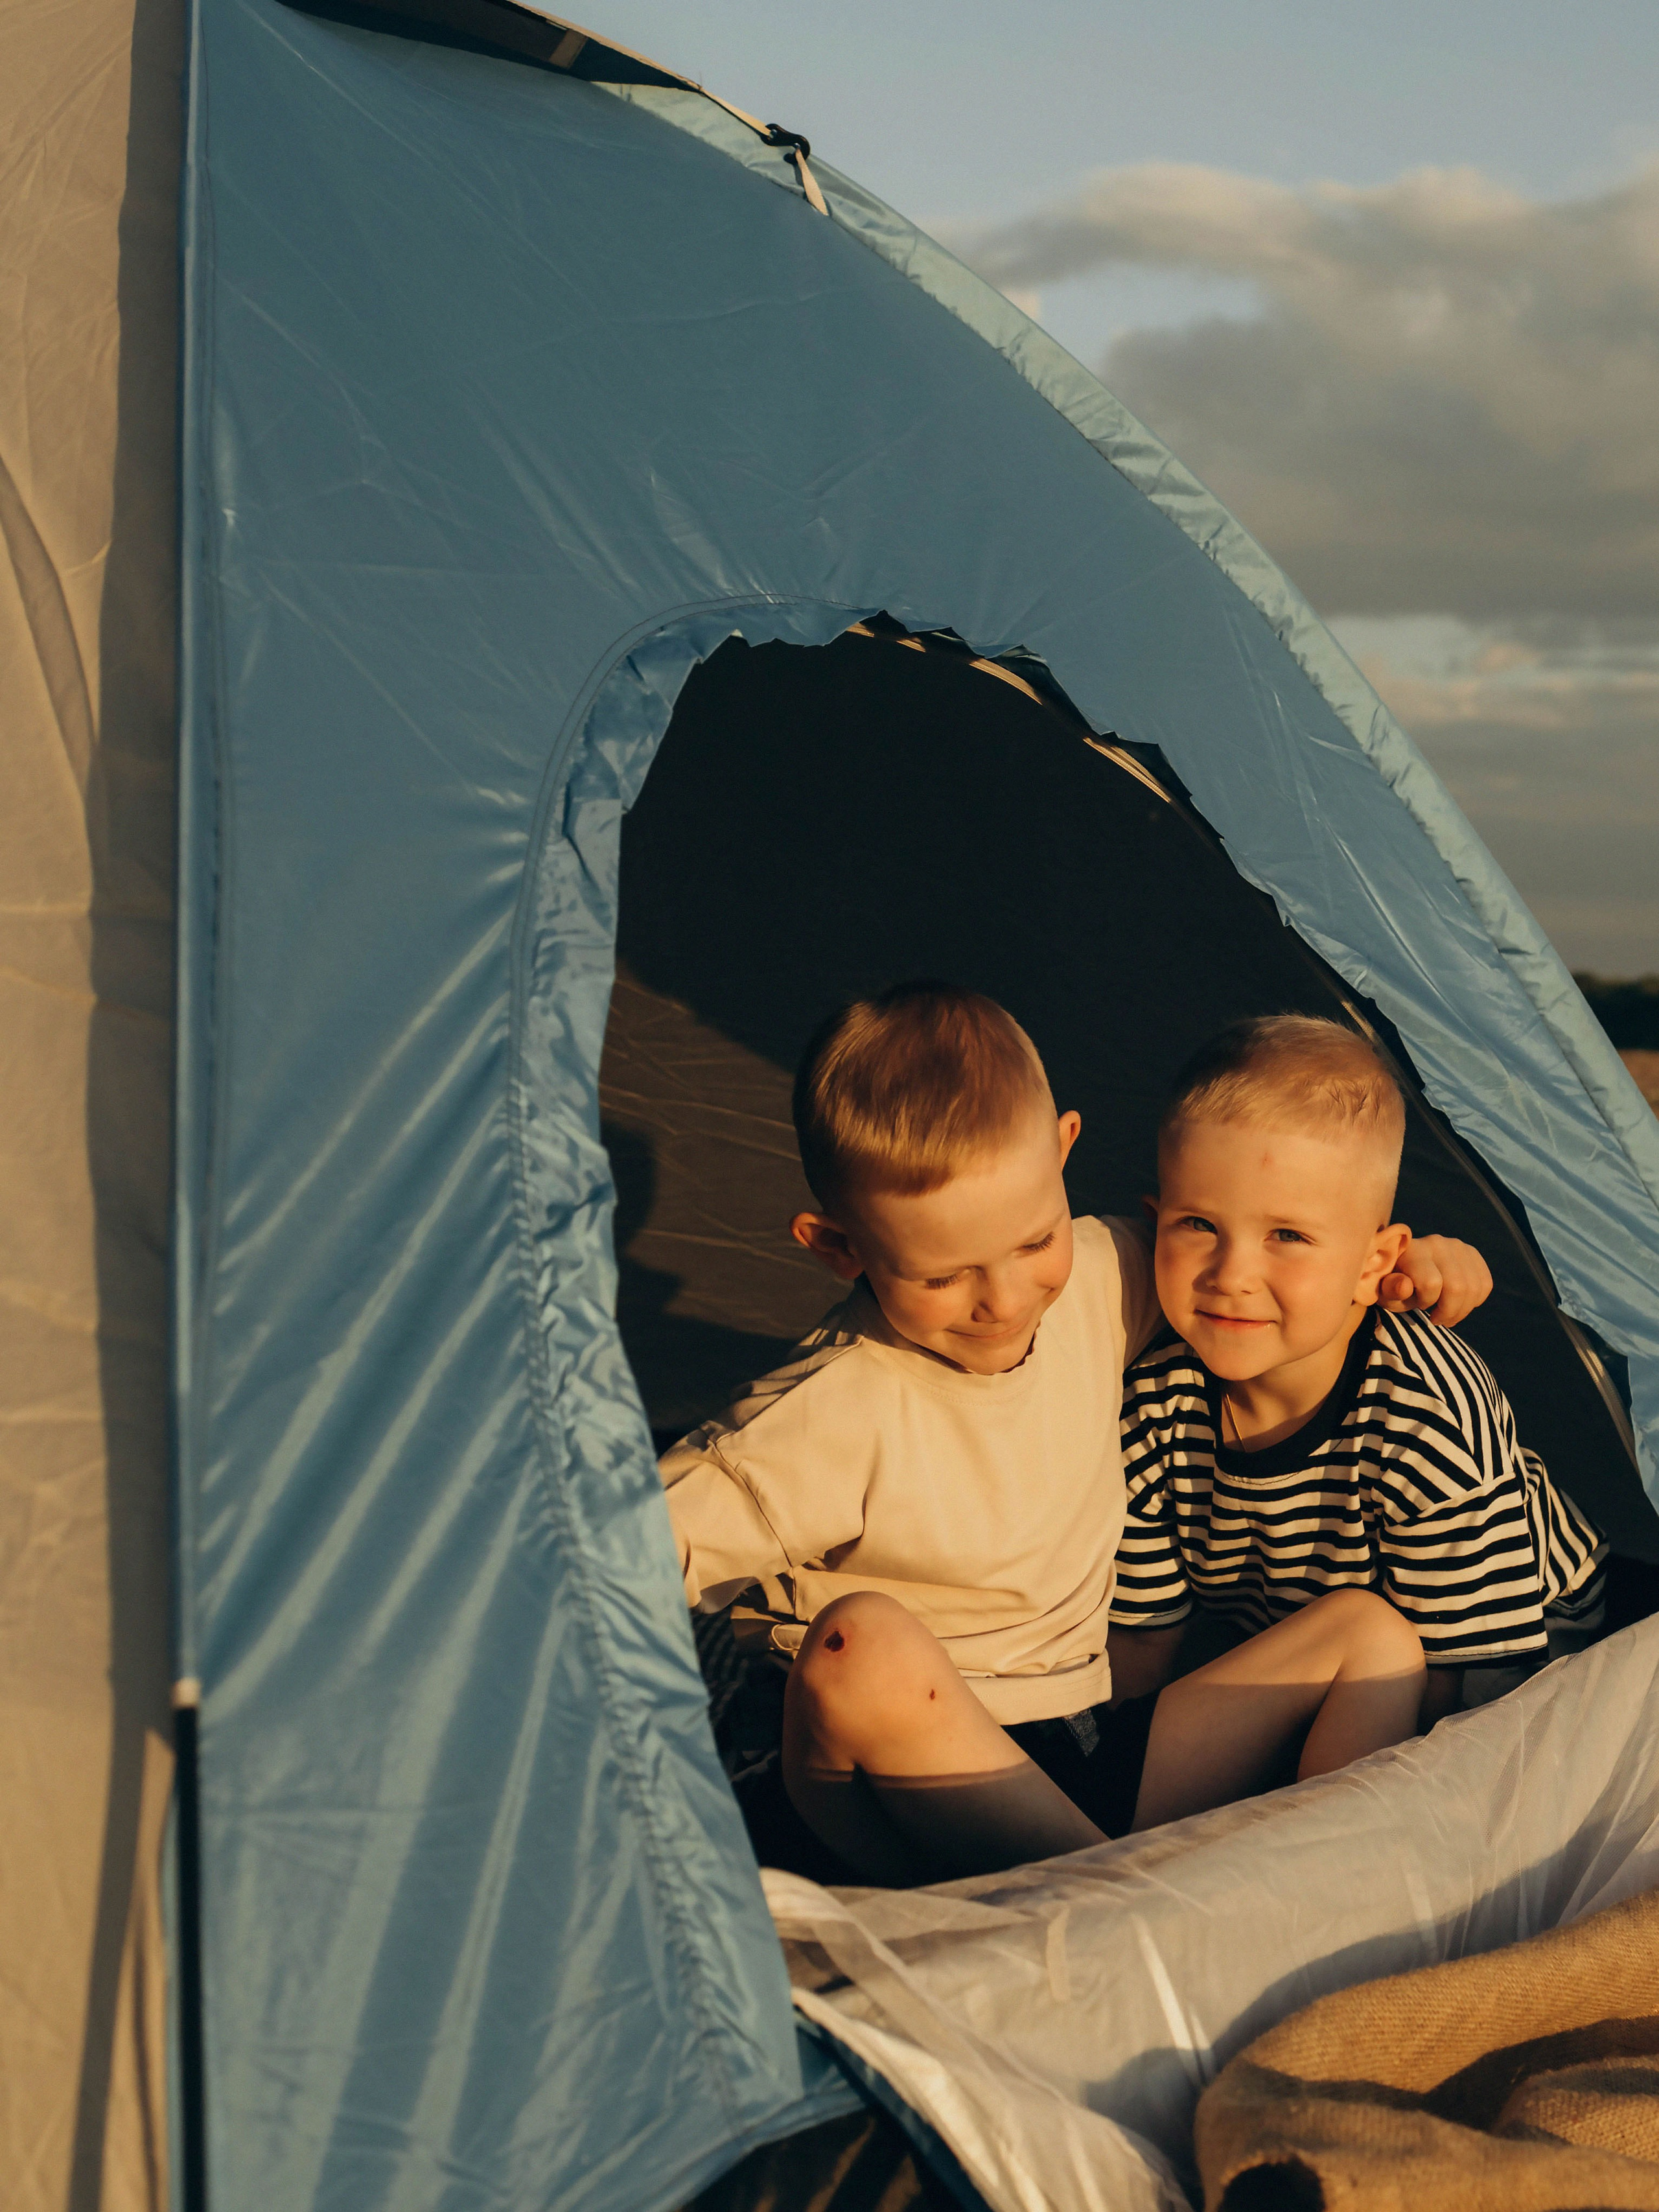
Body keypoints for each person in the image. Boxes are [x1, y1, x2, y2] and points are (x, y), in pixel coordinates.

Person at [659, 984, 1491, 1884]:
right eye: (945, 1277)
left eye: (1031, 1242)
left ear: (1063, 1152)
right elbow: (612, 1550)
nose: (1005, 1302)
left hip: (1078, 1751)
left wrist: (1413, 1264)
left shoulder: (1103, 1275)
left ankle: (1313, 1894)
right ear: (839, 1248)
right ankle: (1128, 1909)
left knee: (1371, 1639)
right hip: (879, 1785)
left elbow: (1262, 1260)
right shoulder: (824, 1411)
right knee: (860, 1643)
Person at [1109, 1016, 1607, 1727]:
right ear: (1155, 1220)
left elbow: (1469, 1682)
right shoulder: (1153, 1403)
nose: (1231, 1274)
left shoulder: (1422, 1414)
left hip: (1515, 1630)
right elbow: (1143, 1634)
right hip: (1299, 1626)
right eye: (1199, 1225)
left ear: (1375, 1262)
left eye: (1287, 1235)